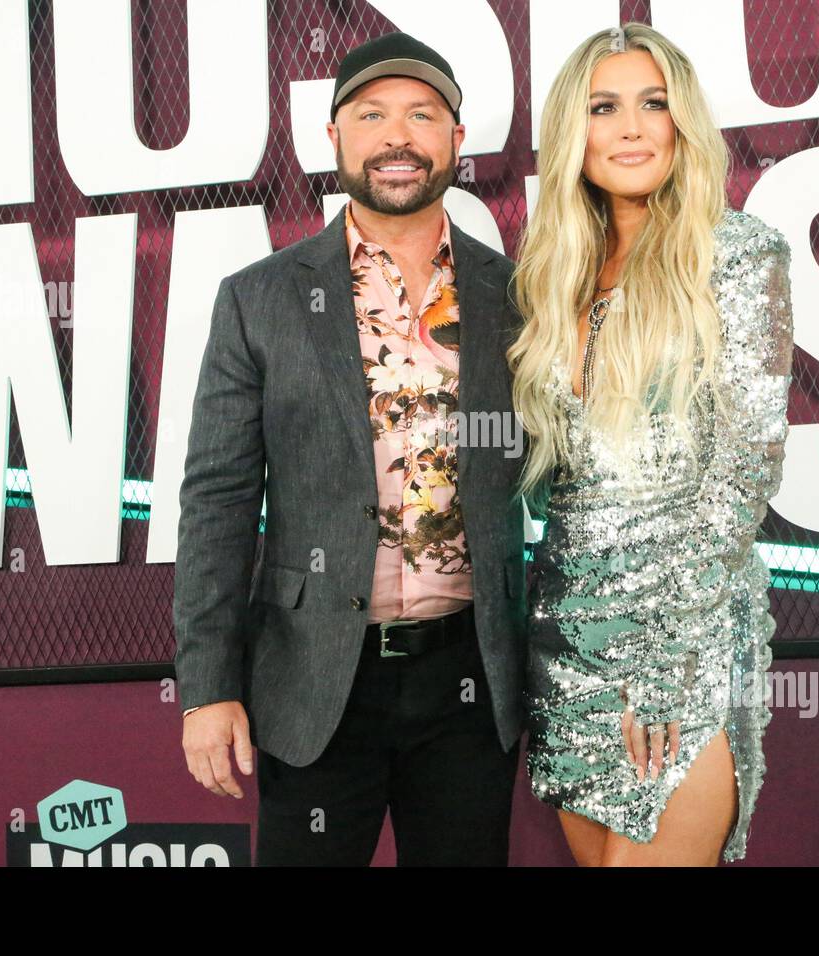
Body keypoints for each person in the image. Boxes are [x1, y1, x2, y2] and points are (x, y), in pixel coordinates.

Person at [172, 31, 528, 866]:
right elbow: (216, 503)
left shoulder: (518, 295)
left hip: (471, 682)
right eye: (371, 114)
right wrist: (208, 688)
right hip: (315, 680)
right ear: (334, 138)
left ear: (455, 140)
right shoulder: (259, 301)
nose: (396, 136)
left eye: (421, 114)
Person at [507, 22, 795, 866]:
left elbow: (744, 471)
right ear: (574, 132)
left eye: (653, 104)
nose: (631, 127)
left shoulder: (736, 255)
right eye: (604, 107)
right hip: (568, 638)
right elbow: (548, 484)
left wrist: (665, 661)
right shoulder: (551, 273)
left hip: (684, 635)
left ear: (682, 124)